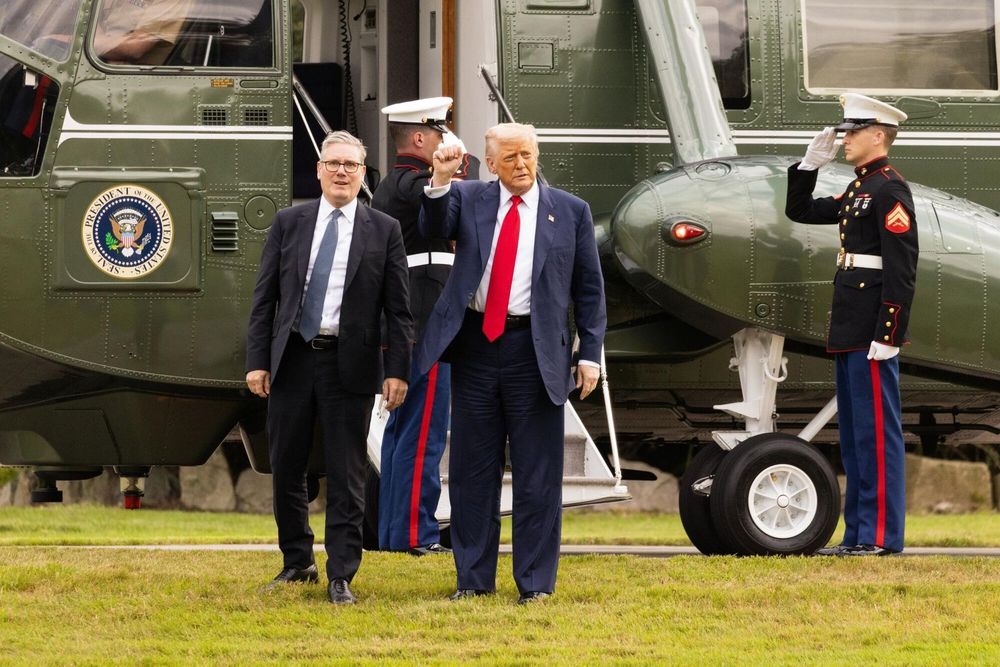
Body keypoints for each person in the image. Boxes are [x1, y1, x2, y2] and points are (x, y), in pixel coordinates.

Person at [419, 122, 606, 603]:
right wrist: (440, 180)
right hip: (477, 347)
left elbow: (589, 290)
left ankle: (536, 585)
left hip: (537, 352)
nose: (521, 165)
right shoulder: (469, 198)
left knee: (537, 476)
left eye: (527, 155)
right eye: (510, 158)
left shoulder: (570, 211)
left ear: (537, 154)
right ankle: (473, 581)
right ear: (491, 162)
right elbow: (433, 228)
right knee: (470, 473)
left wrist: (590, 355)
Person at [246, 130, 413, 604]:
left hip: (352, 365)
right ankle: (297, 561)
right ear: (319, 169)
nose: (342, 172)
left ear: (363, 175)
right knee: (287, 466)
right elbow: (265, 300)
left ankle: (341, 573)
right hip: (293, 360)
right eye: (334, 163)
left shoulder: (384, 230)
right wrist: (258, 361)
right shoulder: (289, 223)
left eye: (352, 166)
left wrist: (397, 369)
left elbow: (399, 311)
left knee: (347, 471)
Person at [785, 93, 918, 556]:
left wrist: (889, 334)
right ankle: (860, 535)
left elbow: (901, 269)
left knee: (877, 434)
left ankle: (881, 537)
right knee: (857, 435)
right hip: (849, 324)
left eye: (852, 132)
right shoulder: (861, 188)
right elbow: (800, 211)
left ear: (878, 135)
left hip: (872, 331)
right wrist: (807, 167)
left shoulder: (889, 189)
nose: (844, 140)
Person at [372, 96, 479, 556]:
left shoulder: (394, 184)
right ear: (420, 137)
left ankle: (397, 535)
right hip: (427, 318)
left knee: (405, 433)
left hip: (410, 320)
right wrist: (459, 167)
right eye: (440, 133)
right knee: (423, 435)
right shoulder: (413, 185)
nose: (447, 143)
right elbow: (454, 198)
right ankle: (416, 534)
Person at [92, 0, 195, 65]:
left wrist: (92, 41)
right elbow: (89, 20)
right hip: (99, 61)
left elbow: (134, 48)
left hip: (131, 78)